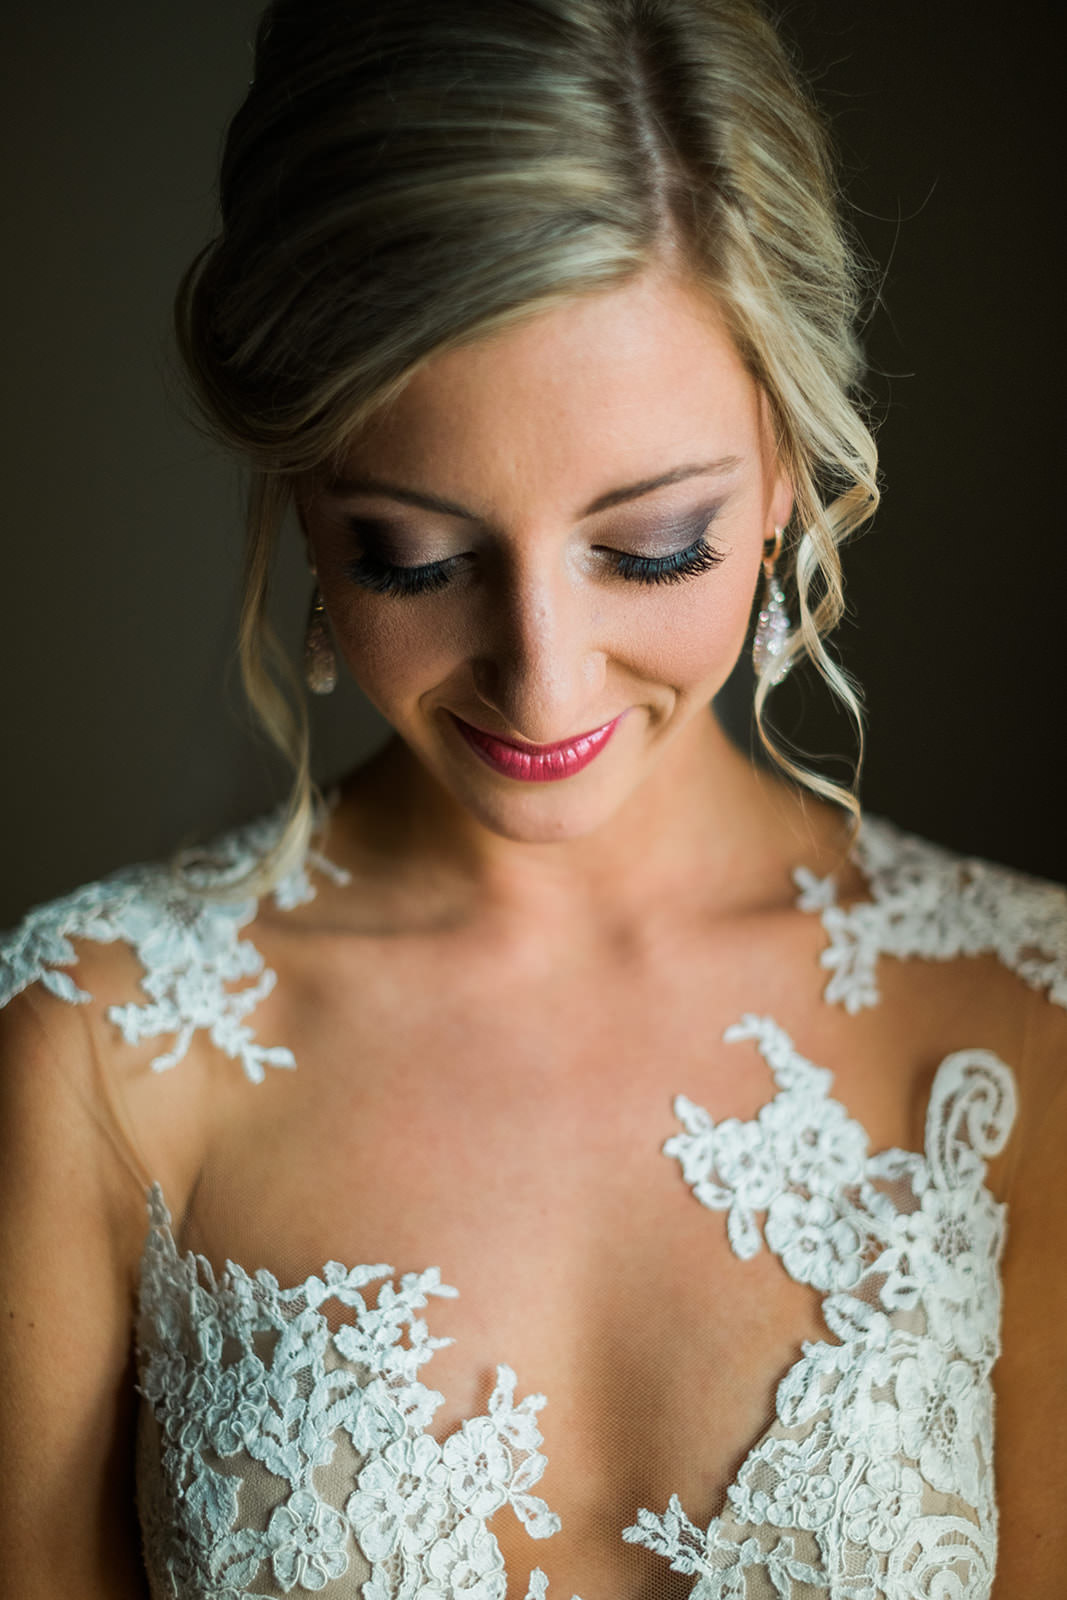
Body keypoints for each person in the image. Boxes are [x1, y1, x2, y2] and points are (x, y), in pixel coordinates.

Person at [1, 1, 1064, 1596]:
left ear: (786, 464)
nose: (543, 685)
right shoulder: (97, 1050)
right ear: (303, 496)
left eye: (651, 547)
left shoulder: (1025, 1026)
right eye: (413, 559)